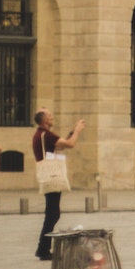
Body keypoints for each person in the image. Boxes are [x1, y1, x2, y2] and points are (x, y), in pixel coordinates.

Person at [32, 108, 84, 261]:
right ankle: (42, 249)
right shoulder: (45, 134)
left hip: (49, 176)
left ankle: (43, 248)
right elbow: (70, 144)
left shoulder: (42, 135)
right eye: (49, 115)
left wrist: (71, 131)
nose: (52, 117)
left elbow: (60, 145)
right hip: (52, 176)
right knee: (52, 214)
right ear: (43, 120)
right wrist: (78, 131)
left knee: (52, 213)